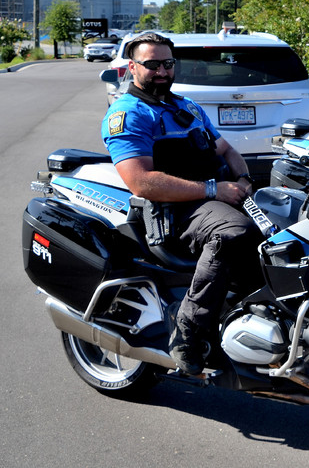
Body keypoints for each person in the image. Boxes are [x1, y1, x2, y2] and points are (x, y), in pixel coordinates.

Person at [101, 32, 264, 375]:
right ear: (132, 67)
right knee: (234, 232)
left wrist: (244, 179)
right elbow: (141, 181)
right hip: (175, 211)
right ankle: (187, 331)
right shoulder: (128, 113)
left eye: (168, 63)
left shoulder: (186, 107)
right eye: (152, 64)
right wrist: (213, 189)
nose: (162, 71)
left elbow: (227, 150)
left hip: (213, 199)